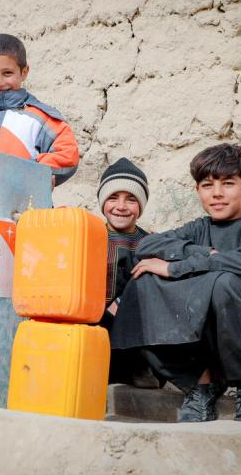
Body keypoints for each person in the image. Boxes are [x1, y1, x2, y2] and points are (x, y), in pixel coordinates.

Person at [111, 143, 241, 422]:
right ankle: (203, 383)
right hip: (210, 343)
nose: (217, 193)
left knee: (223, 283)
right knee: (144, 280)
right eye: (208, 185)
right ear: (198, 191)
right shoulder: (200, 229)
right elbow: (148, 245)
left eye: (228, 183)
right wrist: (201, 253)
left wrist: (176, 268)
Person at [0, 33, 79, 187]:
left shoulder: (40, 117)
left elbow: (68, 155)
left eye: (7, 73)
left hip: (24, 206)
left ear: (24, 72)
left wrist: (31, 171)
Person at [95, 158, 159, 387]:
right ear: (102, 202)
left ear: (141, 205)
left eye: (131, 199)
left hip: (135, 329)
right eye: (113, 197)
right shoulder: (88, 235)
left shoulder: (151, 242)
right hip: (95, 324)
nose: (121, 206)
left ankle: (138, 368)